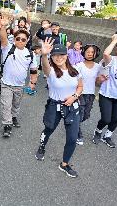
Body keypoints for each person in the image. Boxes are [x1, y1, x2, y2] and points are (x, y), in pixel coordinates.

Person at [35, 41, 83, 178]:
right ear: (52, 57)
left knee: (73, 138)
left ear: (67, 55)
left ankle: (64, 164)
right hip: (54, 106)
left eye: (62, 54)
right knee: (48, 129)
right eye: (55, 55)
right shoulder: (50, 71)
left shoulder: (75, 71)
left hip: (72, 107)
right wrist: (44, 55)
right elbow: (45, 66)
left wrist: (74, 96)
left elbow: (80, 87)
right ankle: (42, 146)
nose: (58, 57)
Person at [0, 14, 38, 137]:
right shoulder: (8, 48)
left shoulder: (30, 54)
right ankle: (7, 125)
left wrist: (32, 83)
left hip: (20, 86)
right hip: (6, 84)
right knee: (6, 105)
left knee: (16, 104)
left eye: (23, 39)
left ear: (27, 41)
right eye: (18, 38)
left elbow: (33, 70)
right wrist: (3, 27)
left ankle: (14, 116)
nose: (20, 41)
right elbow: (3, 38)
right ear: (14, 39)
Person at [74, 44, 102, 145]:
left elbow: (98, 82)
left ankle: (74, 124)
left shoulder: (98, 67)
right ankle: (78, 134)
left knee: (86, 115)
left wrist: (101, 80)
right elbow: (74, 80)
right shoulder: (78, 66)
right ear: (84, 52)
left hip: (90, 94)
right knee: (80, 115)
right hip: (80, 94)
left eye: (92, 52)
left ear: (96, 54)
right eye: (88, 52)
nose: (90, 54)